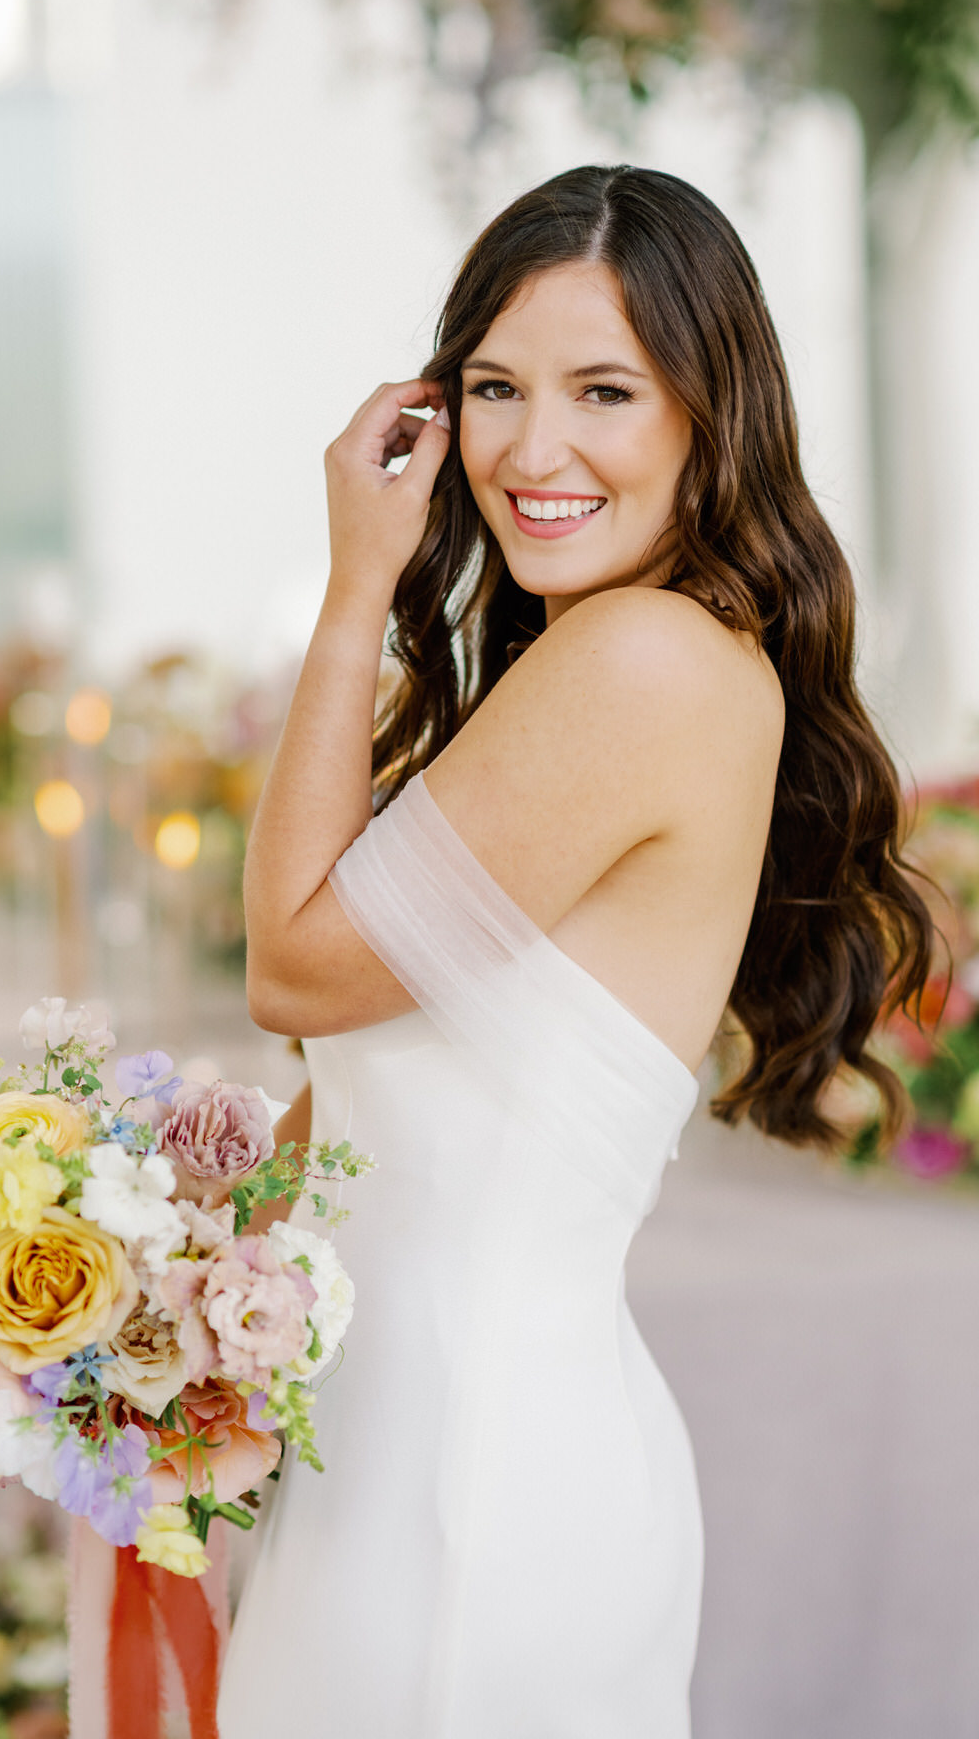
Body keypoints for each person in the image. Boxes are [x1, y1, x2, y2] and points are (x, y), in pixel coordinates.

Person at [218, 164, 935, 1737]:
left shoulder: (646, 660)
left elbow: (297, 968)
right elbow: (361, 1105)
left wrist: (355, 594)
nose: (534, 451)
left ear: (708, 412)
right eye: (493, 388)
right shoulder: (596, 656)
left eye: (604, 390)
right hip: (395, 1460)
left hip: (476, 1493)